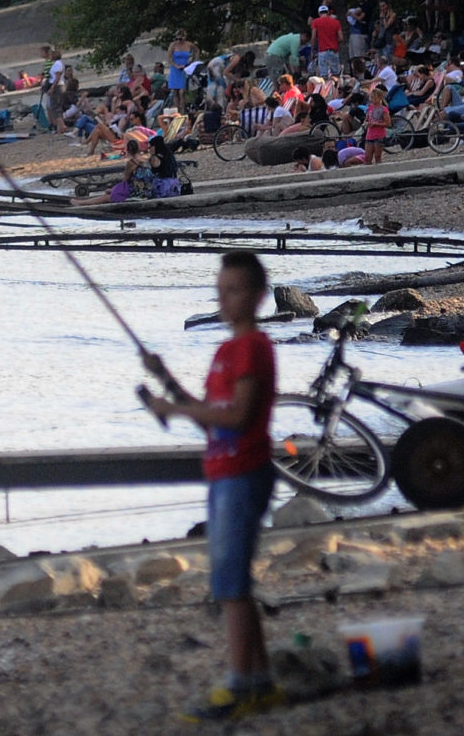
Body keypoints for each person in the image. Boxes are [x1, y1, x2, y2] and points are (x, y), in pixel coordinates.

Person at [140, 251, 281, 722]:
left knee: (230, 583)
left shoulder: (254, 347)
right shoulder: (223, 351)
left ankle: (242, 684)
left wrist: (175, 410)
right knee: (233, 580)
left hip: (245, 472)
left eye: (234, 290)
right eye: (219, 291)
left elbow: (238, 418)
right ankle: (259, 680)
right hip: (223, 471)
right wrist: (169, 386)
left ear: (259, 296)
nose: (223, 299)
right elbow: (212, 421)